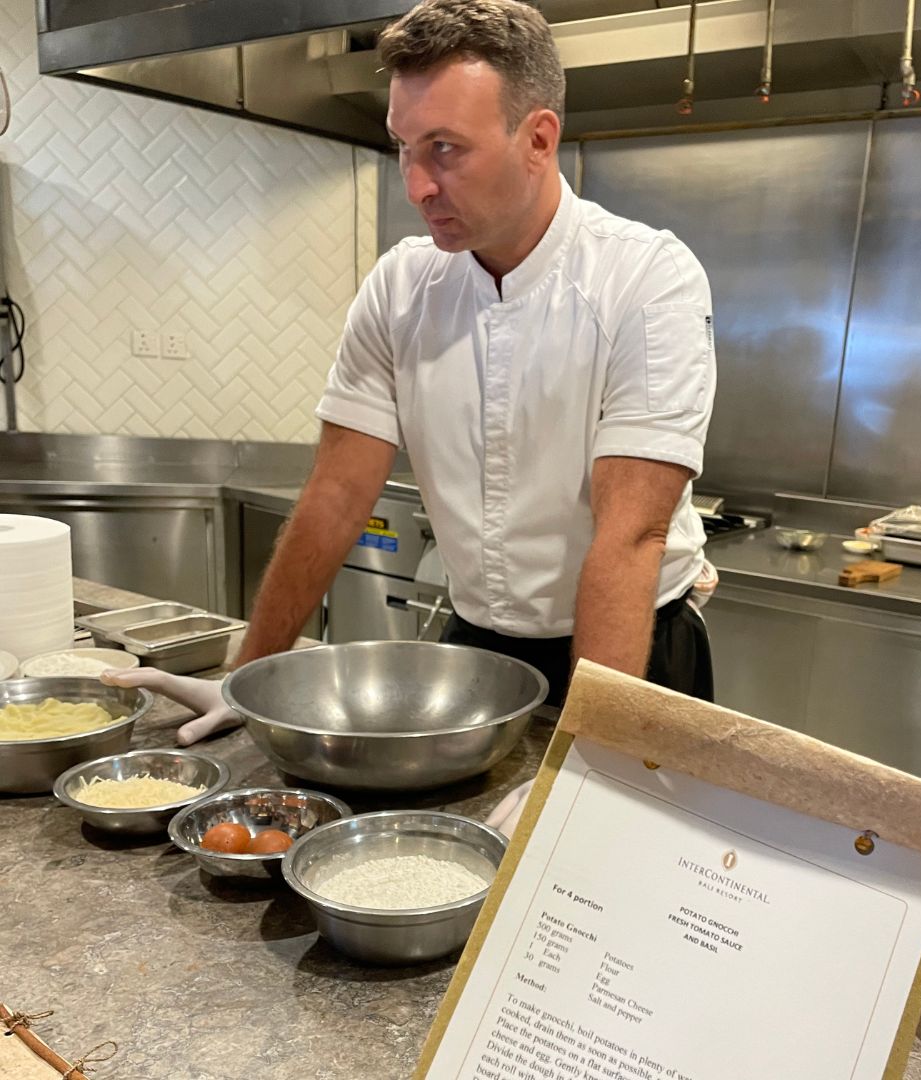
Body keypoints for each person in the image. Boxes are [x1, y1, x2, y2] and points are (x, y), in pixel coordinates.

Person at [107, 0, 717, 747]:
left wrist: (582, 760)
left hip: (631, 657)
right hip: (480, 649)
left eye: (445, 149)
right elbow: (337, 494)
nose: (417, 186)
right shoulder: (402, 286)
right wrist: (247, 679)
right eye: (403, 147)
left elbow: (631, 536)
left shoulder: (647, 279)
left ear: (538, 139)